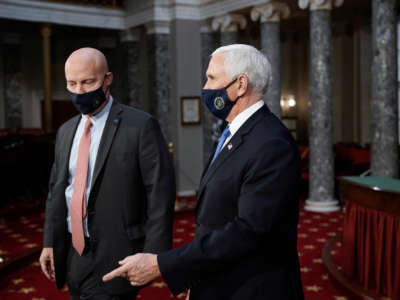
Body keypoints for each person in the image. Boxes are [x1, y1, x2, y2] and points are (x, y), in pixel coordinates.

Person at [103, 44, 304, 300]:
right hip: (221, 280)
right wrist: (196, 277)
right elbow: (218, 216)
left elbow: (249, 231)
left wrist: (163, 265)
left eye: (211, 78)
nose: (206, 88)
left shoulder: (271, 143)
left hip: (252, 289)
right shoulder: (235, 131)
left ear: (241, 84)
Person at [39, 47, 175, 300]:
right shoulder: (66, 131)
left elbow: (160, 192)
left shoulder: (140, 125)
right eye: (72, 83)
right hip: (72, 253)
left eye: (88, 82)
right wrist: (49, 241)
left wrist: (155, 255)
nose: (79, 91)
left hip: (118, 254)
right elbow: (57, 190)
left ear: (108, 79)